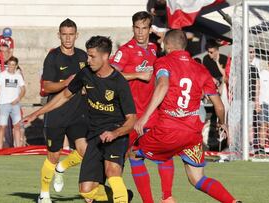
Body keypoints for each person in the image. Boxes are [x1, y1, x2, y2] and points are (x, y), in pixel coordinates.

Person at [23, 36, 136, 202]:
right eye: (88, 55)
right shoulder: (85, 74)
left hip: (115, 133)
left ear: (105, 57)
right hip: (94, 135)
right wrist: (37, 113)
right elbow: (64, 96)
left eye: (92, 56)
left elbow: (131, 120)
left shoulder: (119, 82)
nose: (88, 60)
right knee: (86, 192)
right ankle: (121, 196)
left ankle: (121, 198)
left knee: (112, 171)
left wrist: (115, 133)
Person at [134, 30, 239, 203]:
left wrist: (145, 117)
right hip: (192, 135)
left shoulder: (163, 62)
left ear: (167, 45)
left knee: (134, 154)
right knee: (197, 179)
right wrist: (222, 124)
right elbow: (219, 105)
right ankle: (233, 201)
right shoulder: (201, 69)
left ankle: (158, 199)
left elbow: (162, 85)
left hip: (168, 129)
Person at [110, 11, 174, 203]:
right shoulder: (126, 50)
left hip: (151, 113)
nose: (140, 32)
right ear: (133, 28)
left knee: (163, 152)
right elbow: (110, 75)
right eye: (137, 28)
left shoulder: (155, 49)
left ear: (149, 29)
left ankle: (167, 197)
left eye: (144, 28)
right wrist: (136, 75)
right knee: (126, 158)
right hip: (130, 114)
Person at [33, 18, 89, 202]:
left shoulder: (83, 56)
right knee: (53, 155)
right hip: (56, 113)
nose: (67, 38)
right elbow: (47, 87)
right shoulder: (53, 57)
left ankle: (62, 168)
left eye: (71, 34)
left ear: (76, 35)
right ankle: (44, 194)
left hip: (79, 113)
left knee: (84, 151)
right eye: (64, 34)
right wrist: (67, 82)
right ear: (59, 35)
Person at [0, 57, 25, 149]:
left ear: (16, 66)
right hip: (3, 104)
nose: (11, 66)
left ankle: (18, 148)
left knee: (17, 126)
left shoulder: (18, 76)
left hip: (15, 105)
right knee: (2, 127)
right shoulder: (2, 75)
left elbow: (23, 89)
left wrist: (18, 98)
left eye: (13, 65)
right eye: (9, 64)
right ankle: (0, 148)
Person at [248, 46, 260, 153]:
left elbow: (257, 85)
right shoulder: (238, 66)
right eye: (250, 52)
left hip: (250, 100)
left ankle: (250, 146)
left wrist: (257, 102)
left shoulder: (254, 68)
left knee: (250, 124)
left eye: (253, 52)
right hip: (238, 100)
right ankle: (233, 146)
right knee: (235, 125)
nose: (252, 54)